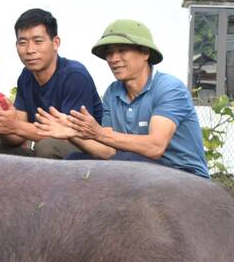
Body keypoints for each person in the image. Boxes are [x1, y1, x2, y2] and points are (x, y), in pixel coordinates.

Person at [34, 19, 210, 178]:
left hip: (186, 176)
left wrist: (99, 133)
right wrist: (74, 133)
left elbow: (155, 147)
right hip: (138, 168)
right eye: (109, 53)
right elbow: (109, 151)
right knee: (74, 159)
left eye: (122, 51)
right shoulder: (113, 92)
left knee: (126, 160)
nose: (113, 59)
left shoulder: (169, 87)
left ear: (145, 53)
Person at [0, 8, 103, 158]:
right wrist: (2, 127)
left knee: (47, 146)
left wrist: (16, 126)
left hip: (86, 153)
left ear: (55, 43)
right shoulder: (25, 77)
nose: (30, 50)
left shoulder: (74, 75)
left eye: (38, 41)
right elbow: (18, 137)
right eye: (22, 42)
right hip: (47, 148)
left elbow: (69, 135)